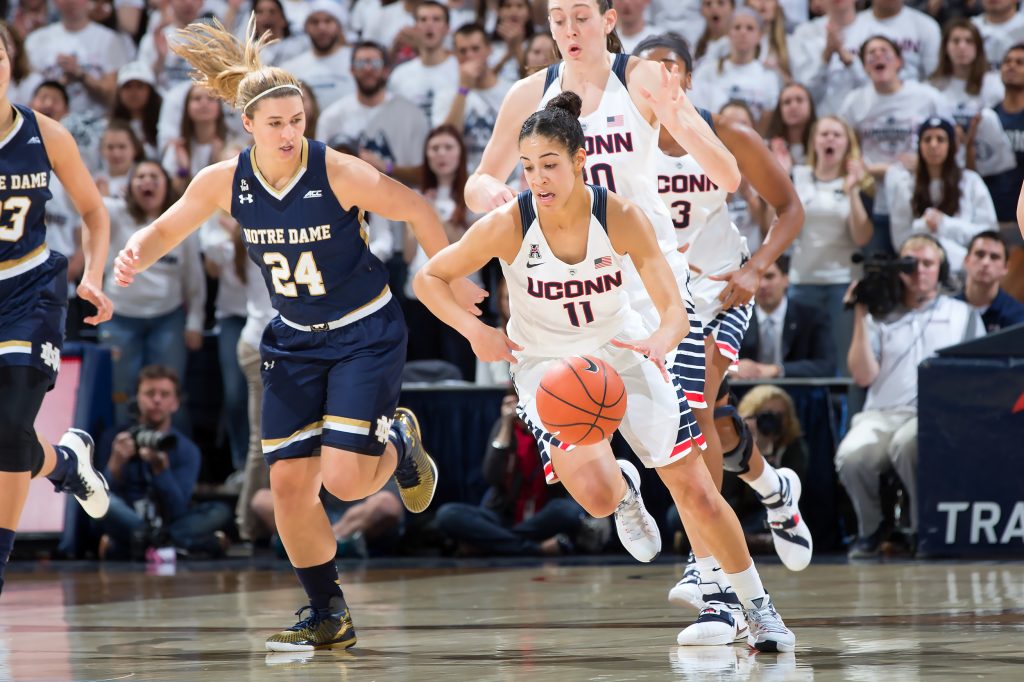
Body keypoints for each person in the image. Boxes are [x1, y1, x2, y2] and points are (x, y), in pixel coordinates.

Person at [111, 16, 486, 651]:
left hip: (364, 330)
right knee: (287, 484)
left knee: (342, 481)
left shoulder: (336, 170)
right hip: (292, 339)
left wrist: (455, 274)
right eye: (277, 123)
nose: (290, 133)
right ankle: (328, 611)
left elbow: (420, 209)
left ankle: (397, 438)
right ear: (249, 125)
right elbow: (167, 227)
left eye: (298, 121)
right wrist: (133, 255)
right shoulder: (224, 181)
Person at [417, 91, 795, 652]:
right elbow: (430, 278)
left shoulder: (617, 215)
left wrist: (660, 342)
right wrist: (476, 333)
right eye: (526, 168)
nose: (537, 179)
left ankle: (758, 608)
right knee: (593, 498)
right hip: (546, 366)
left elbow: (671, 308)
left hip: (621, 348)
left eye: (549, 165)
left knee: (694, 490)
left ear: (578, 161)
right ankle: (623, 495)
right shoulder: (508, 224)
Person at [632, 34, 811, 646]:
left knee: (694, 410)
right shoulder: (621, 147)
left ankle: (710, 579)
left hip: (721, 290)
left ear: (683, 76)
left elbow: (790, 207)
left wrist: (757, 266)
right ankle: (771, 485)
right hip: (660, 298)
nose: (652, 83)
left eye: (664, 71)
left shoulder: (728, 134)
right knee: (702, 417)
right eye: (640, 74)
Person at [0, 22, 115, 598]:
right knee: (9, 440)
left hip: (31, 288)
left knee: (8, 429)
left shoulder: (45, 134)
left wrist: (92, 275)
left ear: (10, 61)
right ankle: (67, 462)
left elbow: (95, 213)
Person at [837, 234, 984, 558]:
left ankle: (922, 529)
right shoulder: (879, 315)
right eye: (910, 263)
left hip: (934, 415)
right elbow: (863, 375)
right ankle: (872, 528)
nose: (919, 271)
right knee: (852, 455)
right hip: (882, 413)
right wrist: (860, 314)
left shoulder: (962, 314)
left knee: (908, 444)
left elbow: (976, 375)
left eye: (928, 264)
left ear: (941, 268)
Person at [434, 393, 608, 557]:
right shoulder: (505, 429)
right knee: (447, 514)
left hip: (543, 519)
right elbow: (491, 476)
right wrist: (505, 424)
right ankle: (534, 548)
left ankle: (490, 543)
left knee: (568, 510)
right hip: (502, 516)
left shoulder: (557, 431)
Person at [100, 160, 205, 423]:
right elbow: (89, 209)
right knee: (121, 393)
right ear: (129, 185)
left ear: (166, 184)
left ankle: (174, 457)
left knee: (169, 394)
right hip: (120, 318)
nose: (148, 181)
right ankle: (123, 456)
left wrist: (195, 323)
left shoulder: (182, 222)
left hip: (167, 319)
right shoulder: (114, 212)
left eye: (154, 176)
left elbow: (195, 279)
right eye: (141, 176)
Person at [94, 365, 232, 559]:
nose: (157, 400)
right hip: (129, 518)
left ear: (175, 403)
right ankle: (183, 546)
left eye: (164, 394)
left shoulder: (187, 449)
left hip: (168, 521)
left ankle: (137, 546)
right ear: (137, 398)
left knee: (220, 511)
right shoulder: (114, 438)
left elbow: (178, 509)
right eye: (150, 393)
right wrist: (115, 464)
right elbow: (100, 498)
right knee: (106, 503)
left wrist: (162, 471)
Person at [838, 35, 952, 257]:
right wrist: (863, 169)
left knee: (918, 263)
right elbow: (845, 143)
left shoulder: (926, 97)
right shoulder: (854, 101)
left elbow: (951, 138)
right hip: (873, 195)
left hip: (917, 193)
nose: (878, 56)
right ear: (864, 66)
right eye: (871, 53)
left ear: (899, 61)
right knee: (878, 267)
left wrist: (924, 161)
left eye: (884, 51)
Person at [789, 115, 874, 372]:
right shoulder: (798, 176)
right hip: (802, 281)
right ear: (813, 141)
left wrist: (853, 191)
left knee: (845, 365)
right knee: (799, 361)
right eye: (824, 134)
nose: (830, 139)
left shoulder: (861, 184)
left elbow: (862, 237)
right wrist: (781, 178)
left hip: (843, 283)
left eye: (837, 135)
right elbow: (778, 225)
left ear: (847, 144)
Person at [887, 117, 998, 275]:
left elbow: (989, 233)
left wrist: (945, 224)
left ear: (951, 145)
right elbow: (899, 241)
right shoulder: (906, 185)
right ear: (919, 146)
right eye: (927, 139)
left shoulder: (970, 181)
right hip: (920, 272)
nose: (933, 145)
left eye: (940, 139)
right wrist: (924, 226)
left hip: (963, 268)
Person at [737, 256, 837, 379]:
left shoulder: (812, 317)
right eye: (756, 277)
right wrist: (733, 368)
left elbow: (826, 366)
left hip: (797, 394)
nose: (762, 284)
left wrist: (777, 370)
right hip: (746, 394)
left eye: (769, 276)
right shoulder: (737, 319)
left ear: (786, 279)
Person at [690, 7, 782, 130]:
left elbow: (766, 122)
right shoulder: (707, 71)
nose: (743, 32)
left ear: (760, 36)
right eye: (737, 27)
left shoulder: (768, 76)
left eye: (750, 28)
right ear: (728, 33)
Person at [957, 231, 1024, 332]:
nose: (985, 262)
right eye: (980, 254)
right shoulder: (947, 309)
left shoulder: (1018, 314)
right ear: (966, 260)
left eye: (994, 257)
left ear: (1006, 267)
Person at [765, 83, 817, 175]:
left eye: (799, 100)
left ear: (810, 106)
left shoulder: (821, 143)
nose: (793, 106)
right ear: (779, 110)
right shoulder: (768, 147)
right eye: (787, 102)